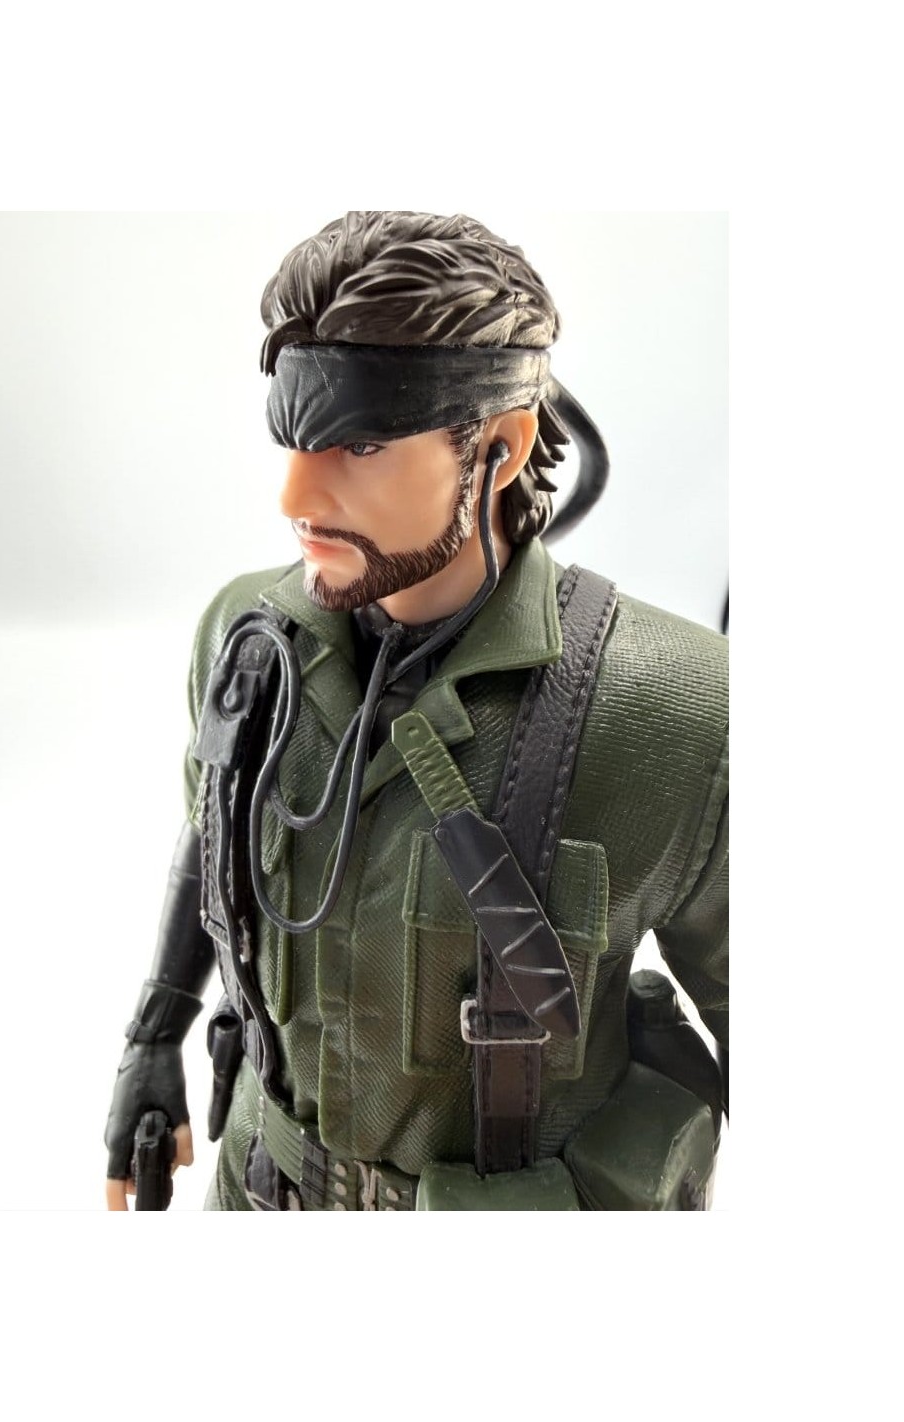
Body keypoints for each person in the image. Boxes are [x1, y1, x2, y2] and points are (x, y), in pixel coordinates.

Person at [104, 211, 728, 1211]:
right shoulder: (246, 641)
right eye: (294, 441)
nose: (295, 495)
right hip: (260, 1181)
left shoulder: (677, 713)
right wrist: (152, 1036)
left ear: (499, 446)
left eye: (359, 444)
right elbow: (213, 820)